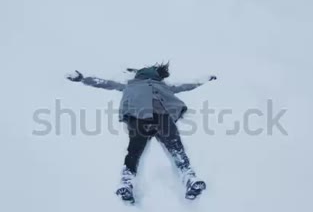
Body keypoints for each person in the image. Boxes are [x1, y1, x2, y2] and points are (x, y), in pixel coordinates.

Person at [66, 62, 217, 203]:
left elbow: (185, 86)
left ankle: (189, 178)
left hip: (161, 116)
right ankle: (127, 183)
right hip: (140, 116)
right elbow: (106, 83)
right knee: (135, 149)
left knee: (175, 146)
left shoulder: (161, 85)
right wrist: (83, 79)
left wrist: (204, 81)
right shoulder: (131, 84)